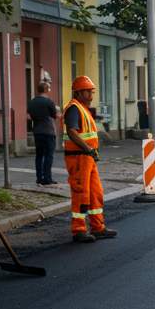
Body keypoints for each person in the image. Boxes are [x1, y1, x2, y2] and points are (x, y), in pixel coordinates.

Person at [62, 75, 116, 243]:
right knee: (81, 194)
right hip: (79, 158)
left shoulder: (83, 108)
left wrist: (91, 151)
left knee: (95, 193)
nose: (91, 96)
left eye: (92, 92)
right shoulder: (73, 108)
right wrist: (88, 149)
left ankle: (98, 227)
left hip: (87, 157)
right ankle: (78, 230)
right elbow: (72, 131)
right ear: (79, 92)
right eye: (88, 92)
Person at [27, 81, 59, 186]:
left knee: (39, 156)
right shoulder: (49, 102)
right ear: (46, 90)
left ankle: (39, 178)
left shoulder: (32, 102)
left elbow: (28, 117)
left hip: (37, 131)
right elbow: (55, 115)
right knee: (49, 156)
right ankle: (47, 178)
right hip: (48, 132)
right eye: (49, 89)